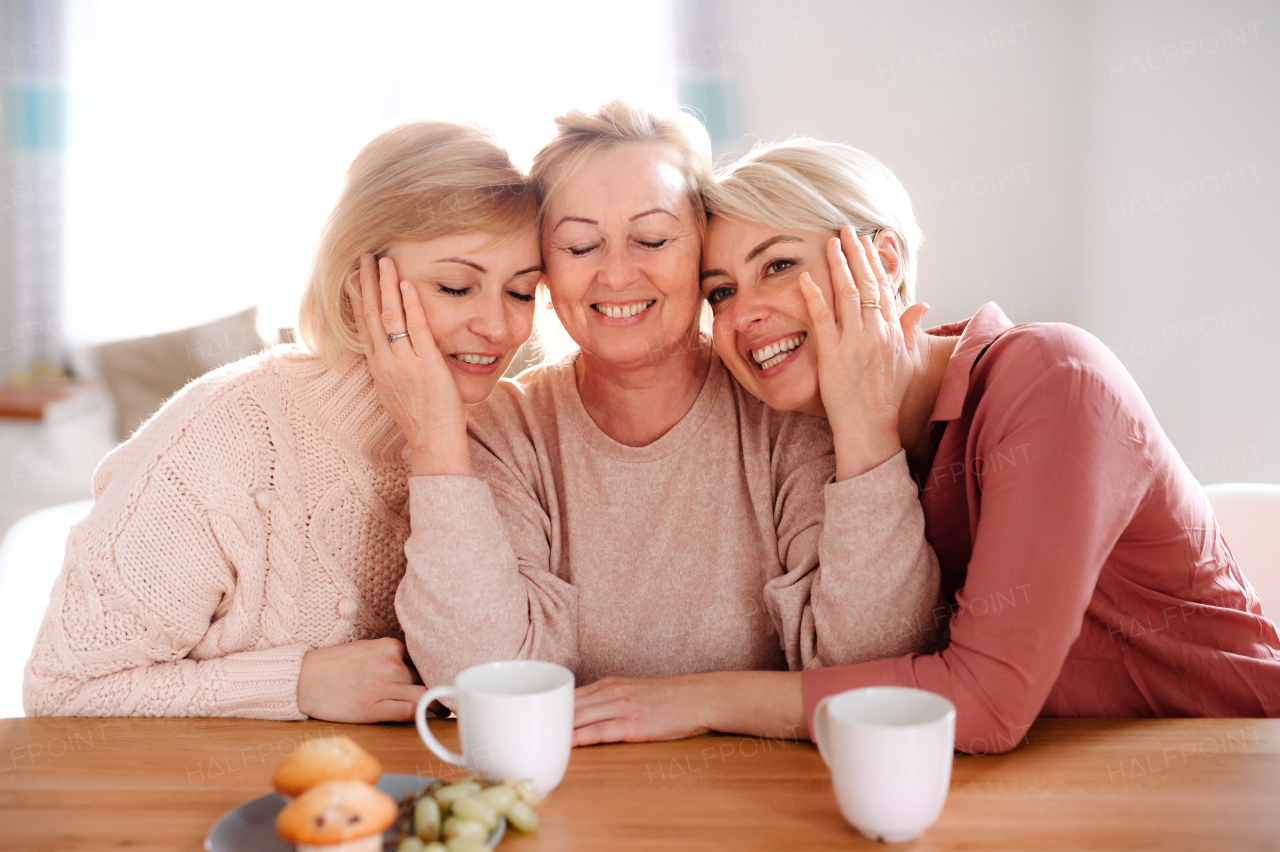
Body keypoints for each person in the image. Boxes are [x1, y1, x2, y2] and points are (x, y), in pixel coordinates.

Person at [573, 136, 1280, 752]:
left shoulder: (1054, 379)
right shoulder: (810, 432)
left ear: (883, 261)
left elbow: (982, 704)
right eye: (720, 292)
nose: (744, 314)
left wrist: (696, 700)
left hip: (1231, 760)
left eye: (779, 265)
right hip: (1046, 769)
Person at [389, 102, 941, 734]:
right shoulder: (504, 433)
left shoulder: (788, 414)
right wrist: (435, 442)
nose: (617, 273)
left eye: (652, 239)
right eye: (579, 245)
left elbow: (872, 671)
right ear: (544, 269)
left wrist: (864, 431)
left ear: (701, 247)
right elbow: (478, 684)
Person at [23, 121, 544, 722]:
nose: (500, 328)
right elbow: (63, 692)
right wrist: (293, 684)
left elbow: (499, 683)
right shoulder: (225, 435)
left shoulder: (512, 434)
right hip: (234, 809)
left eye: (522, 293)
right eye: (456, 286)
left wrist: (438, 442)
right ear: (359, 282)